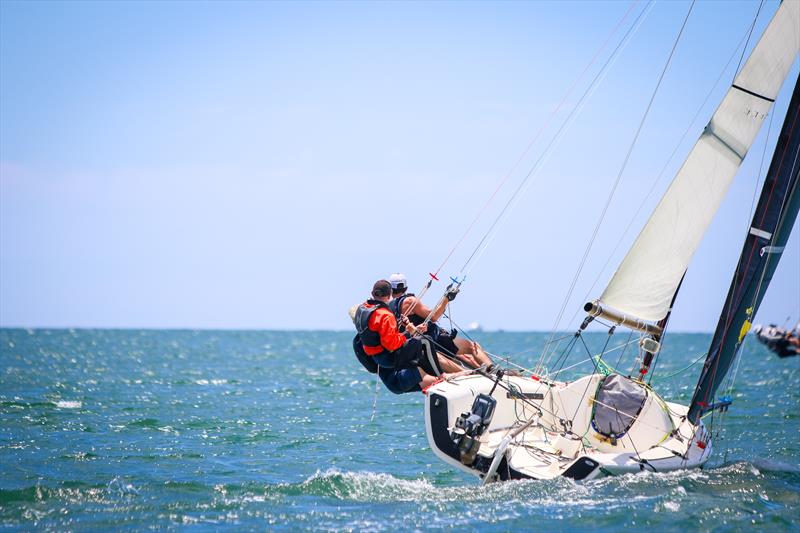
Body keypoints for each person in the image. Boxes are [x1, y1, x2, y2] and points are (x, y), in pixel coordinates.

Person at [353, 280, 466, 394]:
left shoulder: (362, 309)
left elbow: (378, 333)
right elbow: (391, 345)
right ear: (389, 295)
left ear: (373, 293)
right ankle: (442, 375)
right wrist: (409, 332)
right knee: (425, 341)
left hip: (378, 357)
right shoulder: (385, 315)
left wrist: (406, 330)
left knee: (419, 347)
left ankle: (447, 374)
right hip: (389, 358)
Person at [388, 273, 492, 370]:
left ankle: (484, 374)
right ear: (405, 288)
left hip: (417, 347)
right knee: (472, 346)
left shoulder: (389, 306)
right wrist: (447, 298)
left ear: (391, 289)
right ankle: (493, 371)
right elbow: (434, 317)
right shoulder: (409, 301)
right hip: (434, 341)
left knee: (464, 358)